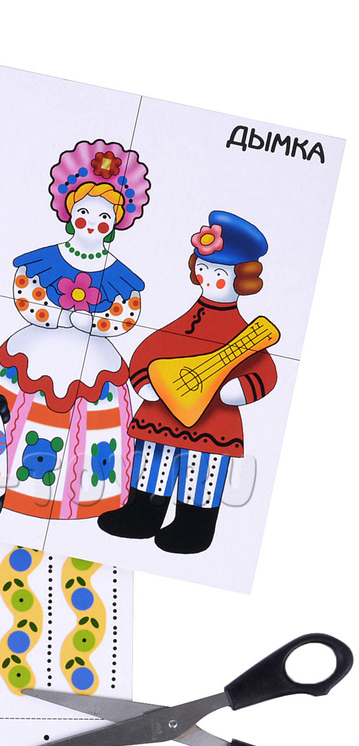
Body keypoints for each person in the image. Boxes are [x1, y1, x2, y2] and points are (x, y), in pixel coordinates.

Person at [0, 140, 150, 519]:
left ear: (115, 223)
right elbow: (26, 291)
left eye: (103, 216)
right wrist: (56, 317)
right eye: (84, 211)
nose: (92, 222)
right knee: (13, 407)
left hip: (93, 359)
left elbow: (126, 313)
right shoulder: (46, 258)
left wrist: (93, 324)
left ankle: (83, 494)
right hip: (36, 348)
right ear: (69, 211)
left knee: (92, 422)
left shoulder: (118, 273)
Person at [98, 210, 277, 553]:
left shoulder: (243, 333)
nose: (208, 278)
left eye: (220, 273)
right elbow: (150, 350)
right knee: (152, 464)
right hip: (162, 414)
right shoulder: (185, 322)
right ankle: (141, 516)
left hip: (213, 420)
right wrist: (145, 381)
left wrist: (241, 389)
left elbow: (265, 370)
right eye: (204, 268)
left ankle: (193, 528)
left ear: (243, 279)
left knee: (202, 473)